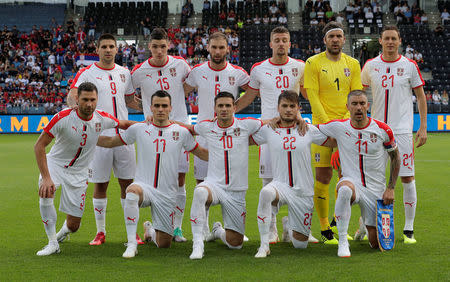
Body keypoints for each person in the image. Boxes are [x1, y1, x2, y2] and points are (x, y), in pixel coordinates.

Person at [96, 90, 208, 258]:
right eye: (157, 106)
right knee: (132, 193)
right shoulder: (139, 129)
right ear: (151, 108)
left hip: (167, 194)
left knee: (164, 244)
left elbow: (201, 153)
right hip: (144, 187)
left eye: (164, 106)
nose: (160, 109)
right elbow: (111, 142)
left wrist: (228, 153)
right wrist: (87, 137)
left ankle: (149, 231)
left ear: (170, 108)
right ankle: (132, 244)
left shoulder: (181, 132)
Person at [35, 82, 135, 256]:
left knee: (73, 226)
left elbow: (124, 124)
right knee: (46, 191)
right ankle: (52, 243)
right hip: (56, 165)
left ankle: (60, 234)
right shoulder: (62, 117)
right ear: (76, 99)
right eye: (85, 99)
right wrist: (46, 177)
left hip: (80, 172)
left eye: (93, 100)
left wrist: (149, 124)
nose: (89, 104)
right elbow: (39, 146)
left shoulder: (101, 118)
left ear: (97, 100)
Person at [235, 26, 310, 244]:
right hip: (270, 131)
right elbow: (248, 96)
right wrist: (230, 112)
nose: (280, 44)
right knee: (269, 180)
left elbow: (309, 94)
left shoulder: (300, 67)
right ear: (270, 44)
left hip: (296, 130)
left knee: (297, 178)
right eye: (276, 40)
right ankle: (273, 227)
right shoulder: (259, 69)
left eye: (284, 40)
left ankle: (295, 226)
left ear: (289, 44)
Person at [67, 33, 143, 246]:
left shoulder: (124, 72)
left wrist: (150, 107)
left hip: (123, 136)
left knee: (128, 184)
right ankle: (101, 232)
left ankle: (133, 232)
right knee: (100, 184)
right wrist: (74, 108)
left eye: (112, 46)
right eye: (104, 47)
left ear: (117, 50)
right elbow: (73, 94)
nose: (108, 50)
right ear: (97, 49)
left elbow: (129, 100)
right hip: (98, 136)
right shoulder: (87, 72)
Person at [361, 25, 427, 244]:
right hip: (376, 131)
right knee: (374, 180)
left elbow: (421, 96)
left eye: (394, 39)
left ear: (399, 41)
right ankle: (369, 224)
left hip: (402, 131)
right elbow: (360, 95)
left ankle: (409, 229)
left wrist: (423, 126)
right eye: (386, 38)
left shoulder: (409, 66)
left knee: (407, 177)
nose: (390, 42)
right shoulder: (370, 66)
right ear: (380, 41)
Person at [252, 91, 336, 258]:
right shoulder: (269, 129)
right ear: (278, 108)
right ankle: (264, 245)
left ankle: (288, 226)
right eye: (284, 106)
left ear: (299, 108)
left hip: (303, 191)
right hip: (280, 186)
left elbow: (333, 140)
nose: (288, 110)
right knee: (265, 192)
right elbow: (241, 136)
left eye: (292, 106)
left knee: (300, 245)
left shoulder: (308, 129)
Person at [180, 92, 263, 259]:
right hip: (214, 185)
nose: (224, 109)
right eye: (220, 106)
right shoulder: (206, 126)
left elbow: (272, 123)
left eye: (227, 105)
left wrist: (296, 118)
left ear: (234, 107)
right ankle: (198, 245)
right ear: (215, 109)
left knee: (236, 244)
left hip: (236, 191)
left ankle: (217, 231)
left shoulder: (247, 125)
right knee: (200, 191)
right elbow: (186, 128)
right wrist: (156, 120)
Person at [317, 90, 400, 257]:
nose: (359, 107)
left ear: (367, 105)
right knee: (345, 189)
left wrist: (390, 188)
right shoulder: (339, 126)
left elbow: (395, 157)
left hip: (375, 190)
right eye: (354, 104)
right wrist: (295, 119)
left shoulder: (383, 129)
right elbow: (311, 130)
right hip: (351, 182)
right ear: (347, 107)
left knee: (377, 244)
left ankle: (365, 224)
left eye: (362, 103)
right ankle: (342, 241)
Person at [183, 32, 250, 238]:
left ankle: (231, 227)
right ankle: (203, 229)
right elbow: (181, 93)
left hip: (229, 134)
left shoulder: (237, 72)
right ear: (208, 48)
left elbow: (253, 91)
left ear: (228, 49)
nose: (218, 51)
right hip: (205, 134)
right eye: (214, 47)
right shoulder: (197, 71)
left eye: (222, 47)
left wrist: (235, 108)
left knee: (230, 181)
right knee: (202, 183)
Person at [303, 21, 363, 244]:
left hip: (347, 130)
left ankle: (340, 224)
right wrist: (330, 127)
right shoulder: (313, 62)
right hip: (322, 130)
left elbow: (355, 95)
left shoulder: (353, 63)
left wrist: (346, 126)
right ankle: (324, 226)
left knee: (345, 177)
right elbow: (313, 96)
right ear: (325, 40)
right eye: (332, 37)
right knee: (323, 177)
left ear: (344, 39)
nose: (335, 40)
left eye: (339, 36)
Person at [132, 28, 192, 242]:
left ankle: (176, 227)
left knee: (179, 178)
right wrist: (145, 113)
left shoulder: (181, 65)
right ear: (149, 47)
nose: (159, 51)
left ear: (169, 46)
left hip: (178, 128)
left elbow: (190, 85)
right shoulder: (139, 71)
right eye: (155, 46)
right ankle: (153, 226)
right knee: (153, 178)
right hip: (152, 131)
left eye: (163, 46)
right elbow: (129, 96)